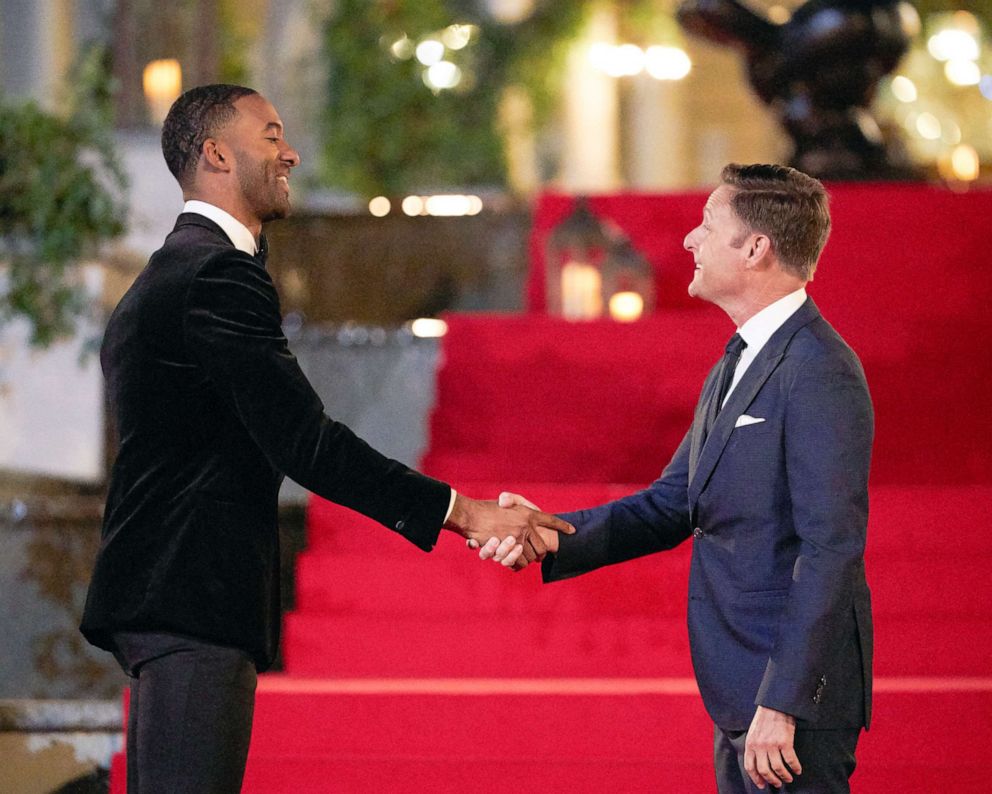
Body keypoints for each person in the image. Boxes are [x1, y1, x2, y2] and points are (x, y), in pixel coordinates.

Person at [80, 84, 573, 794]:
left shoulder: (175, 273)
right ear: (217, 154)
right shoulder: (214, 275)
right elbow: (306, 442)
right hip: (194, 599)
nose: (291, 153)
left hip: (172, 599)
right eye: (272, 134)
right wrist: (467, 514)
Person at [482, 164, 874, 793]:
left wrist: (784, 702)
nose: (690, 241)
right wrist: (549, 533)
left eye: (707, 226)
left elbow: (831, 549)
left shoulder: (820, 369)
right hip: (740, 692)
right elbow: (671, 504)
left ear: (755, 248)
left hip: (788, 704)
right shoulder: (737, 362)